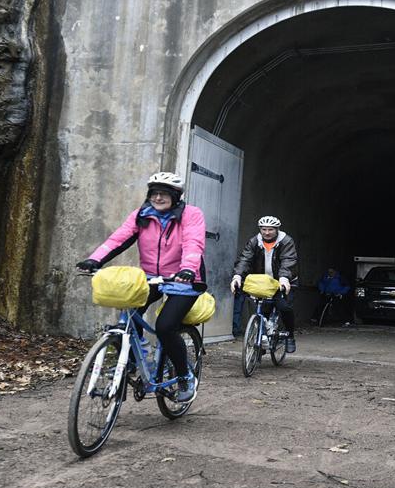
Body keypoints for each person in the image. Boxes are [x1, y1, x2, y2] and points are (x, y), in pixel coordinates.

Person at [76, 171, 207, 402]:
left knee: (166, 326)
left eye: (165, 194)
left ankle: (185, 376)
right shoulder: (141, 215)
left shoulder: (191, 214)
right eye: (154, 193)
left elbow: (193, 243)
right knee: (126, 318)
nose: (158, 198)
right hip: (151, 277)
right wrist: (95, 259)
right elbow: (118, 239)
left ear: (176, 196)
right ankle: (135, 360)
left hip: (184, 279)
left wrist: (187, 268)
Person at [229, 215, 299, 353]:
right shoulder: (255, 241)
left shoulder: (286, 241)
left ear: (277, 229)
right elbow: (245, 259)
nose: (267, 233)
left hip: (282, 282)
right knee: (261, 310)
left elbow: (288, 260)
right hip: (262, 283)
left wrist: (284, 277)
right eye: (263, 229)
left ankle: (290, 335)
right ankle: (261, 339)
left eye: (270, 230)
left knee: (284, 308)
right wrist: (237, 276)